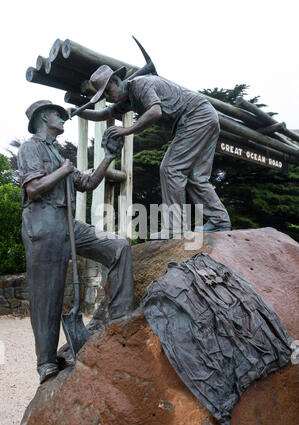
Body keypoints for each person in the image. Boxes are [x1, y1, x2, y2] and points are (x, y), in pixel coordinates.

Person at [17, 100, 135, 384]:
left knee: (118, 247)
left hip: (68, 224)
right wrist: (63, 171)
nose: (63, 118)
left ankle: (119, 320)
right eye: (59, 114)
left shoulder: (57, 153)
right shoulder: (30, 148)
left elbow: (88, 182)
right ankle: (46, 363)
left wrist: (107, 155)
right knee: (47, 296)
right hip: (43, 223)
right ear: (44, 117)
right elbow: (33, 190)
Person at [69, 65, 231, 237]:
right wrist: (79, 112)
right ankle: (219, 221)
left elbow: (155, 111)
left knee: (171, 169)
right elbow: (105, 113)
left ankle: (175, 228)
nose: (108, 97)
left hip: (196, 116)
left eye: (108, 91)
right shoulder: (126, 99)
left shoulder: (140, 85)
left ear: (116, 81)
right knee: (196, 177)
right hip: (205, 117)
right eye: (104, 95)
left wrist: (126, 130)